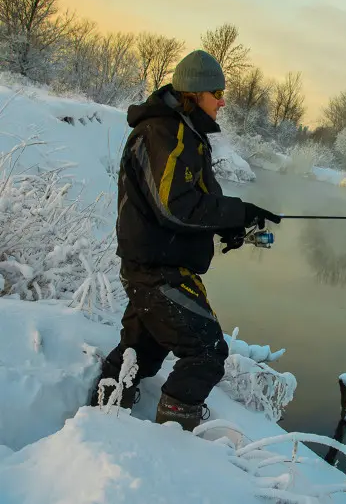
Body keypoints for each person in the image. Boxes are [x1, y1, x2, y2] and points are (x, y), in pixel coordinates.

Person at [89, 50, 281, 431]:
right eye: (217, 92)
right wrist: (238, 212)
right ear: (195, 93)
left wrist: (228, 225)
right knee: (207, 353)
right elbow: (174, 206)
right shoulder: (168, 132)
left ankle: (98, 423)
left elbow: (187, 203)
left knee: (140, 352)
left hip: (157, 265)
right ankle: (172, 441)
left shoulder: (182, 132)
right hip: (158, 271)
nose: (223, 100)